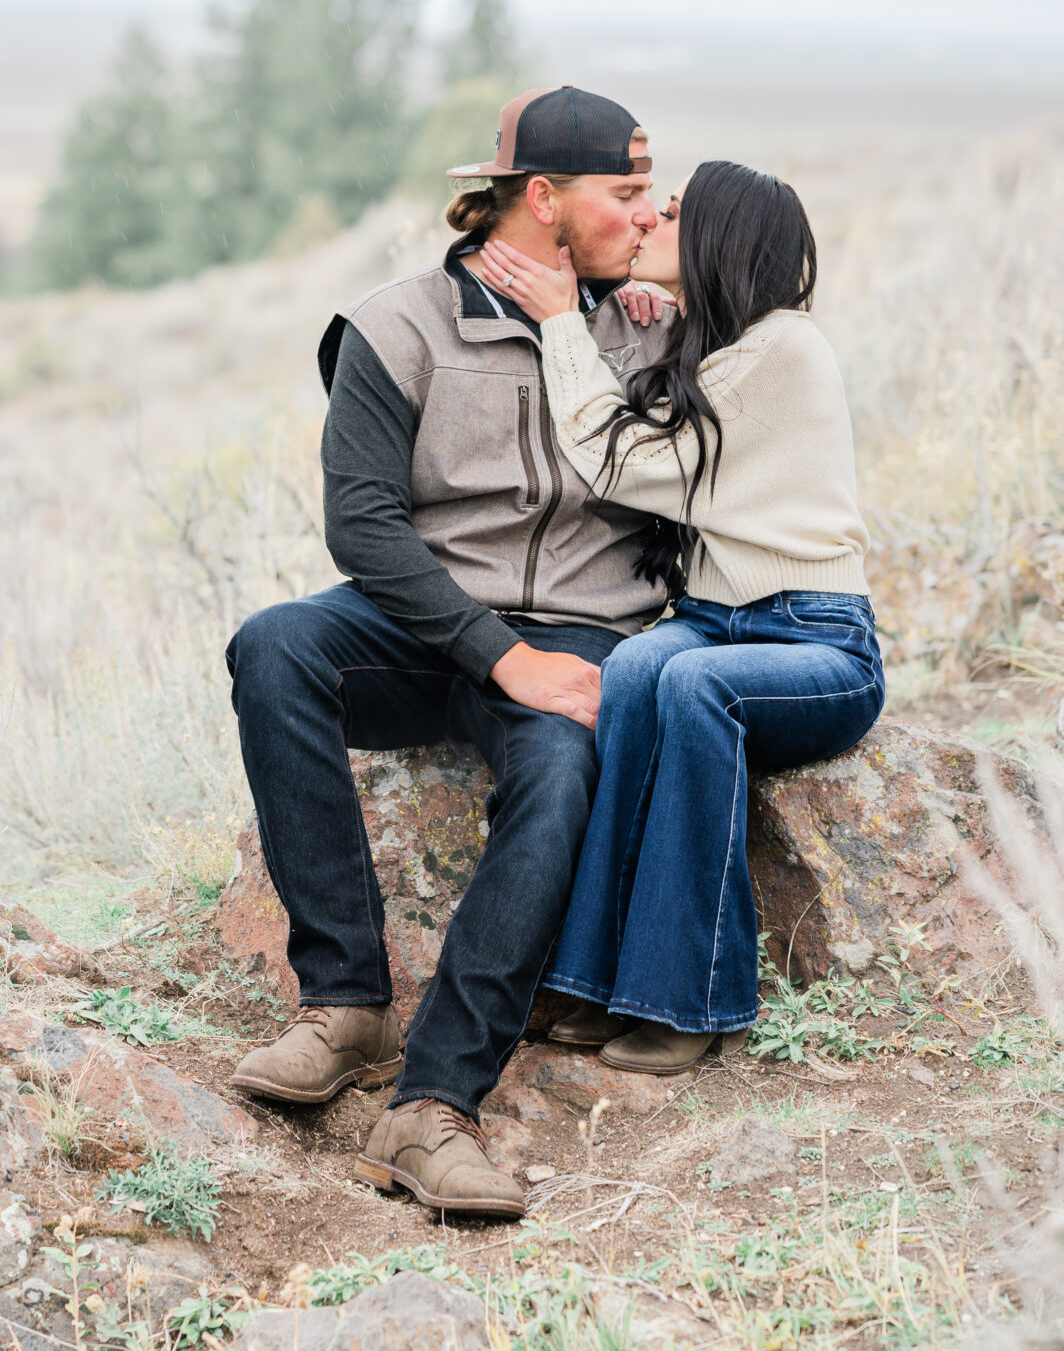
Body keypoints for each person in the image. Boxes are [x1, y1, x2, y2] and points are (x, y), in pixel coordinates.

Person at [225, 86, 670, 1218]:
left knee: (561, 767)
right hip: (427, 624)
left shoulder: (646, 323)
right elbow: (362, 522)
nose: (646, 211)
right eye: (622, 193)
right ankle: (345, 1002)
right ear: (540, 198)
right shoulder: (395, 324)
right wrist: (493, 653)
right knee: (275, 646)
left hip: (581, 627)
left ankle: (431, 1105)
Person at [478, 159, 886, 1075]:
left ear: (717, 239)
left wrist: (557, 321)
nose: (649, 219)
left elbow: (618, 463)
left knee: (696, 685)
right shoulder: (721, 345)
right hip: (713, 617)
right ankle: (592, 981)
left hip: (817, 639)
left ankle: (690, 997)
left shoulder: (783, 349)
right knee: (633, 670)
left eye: (670, 212)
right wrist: (645, 319)